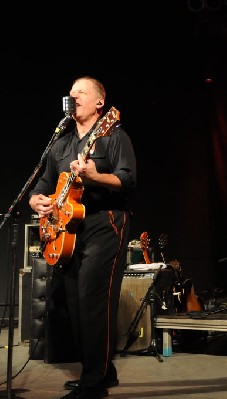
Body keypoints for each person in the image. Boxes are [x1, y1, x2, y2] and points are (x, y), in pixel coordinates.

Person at [28, 76, 137, 399]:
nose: (72, 97)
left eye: (80, 93)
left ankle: (93, 383)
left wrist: (95, 176)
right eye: (70, 93)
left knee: (94, 300)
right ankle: (103, 370)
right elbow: (42, 185)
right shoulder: (60, 143)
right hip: (68, 231)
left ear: (99, 103)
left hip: (105, 224)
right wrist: (37, 202)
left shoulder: (113, 135)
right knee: (75, 303)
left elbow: (127, 180)